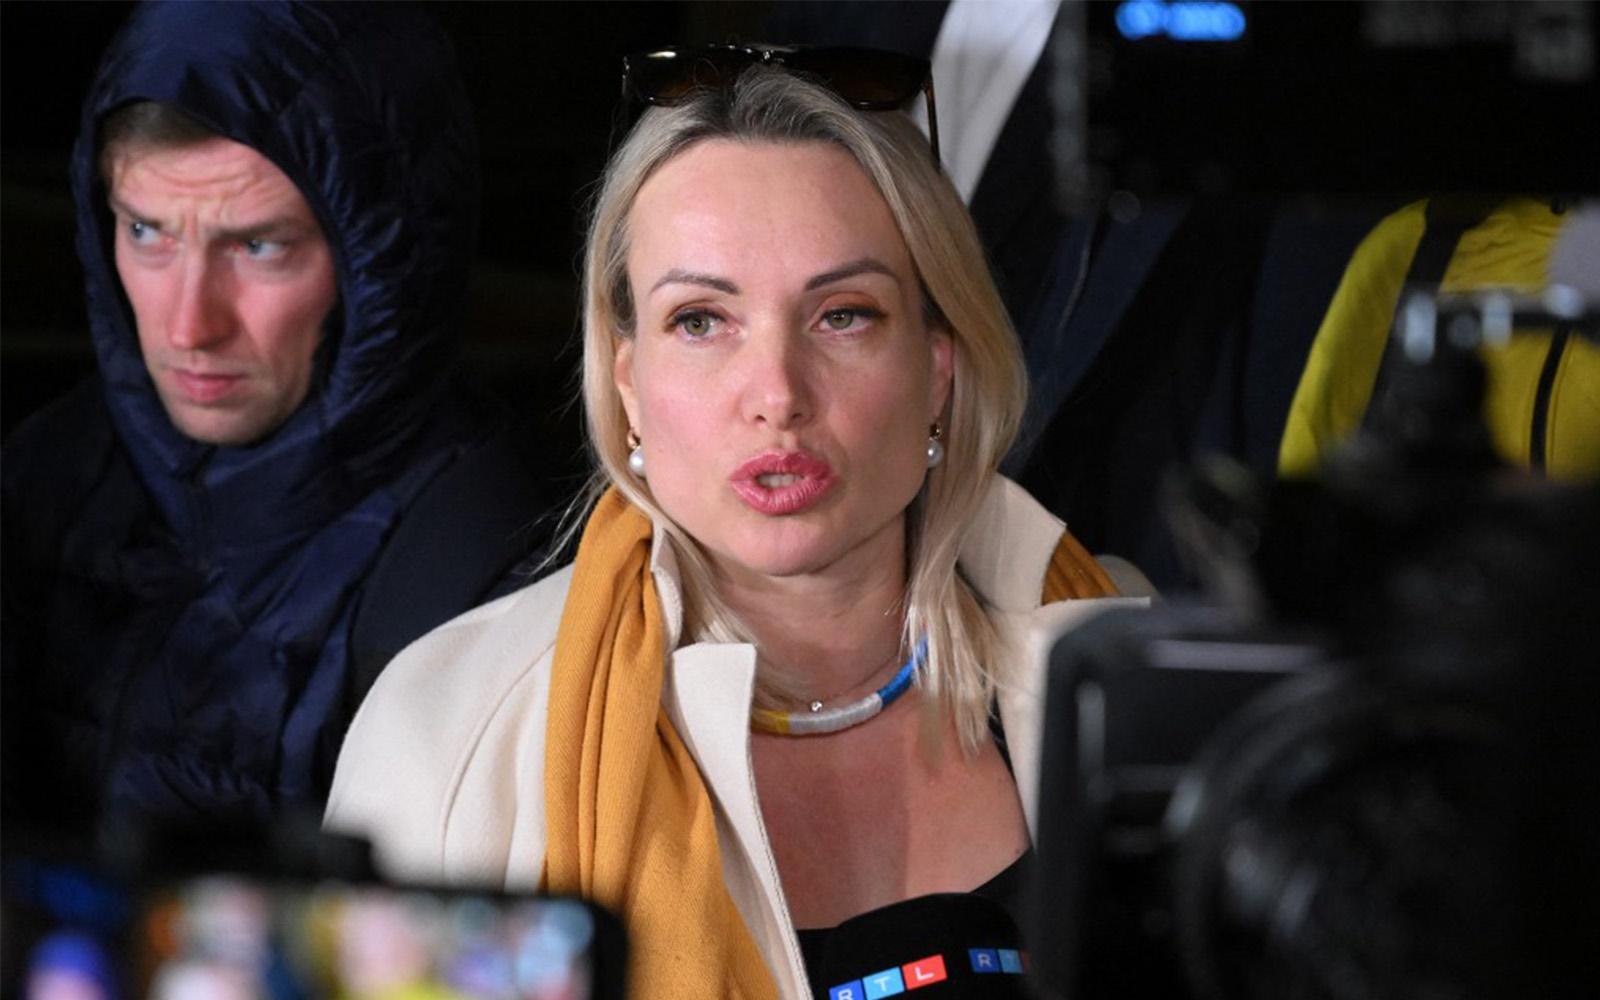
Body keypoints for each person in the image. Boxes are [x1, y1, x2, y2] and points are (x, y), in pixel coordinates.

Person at [326, 52, 1151, 998]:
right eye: (700, 321)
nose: (777, 395)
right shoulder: (447, 736)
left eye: (843, 315)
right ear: (628, 383)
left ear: (939, 367)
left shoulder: (1126, 676)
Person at [1, 2, 553, 840]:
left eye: (259, 246)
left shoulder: (482, 567)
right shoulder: (47, 476)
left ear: (381, 256)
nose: (190, 324)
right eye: (146, 232)